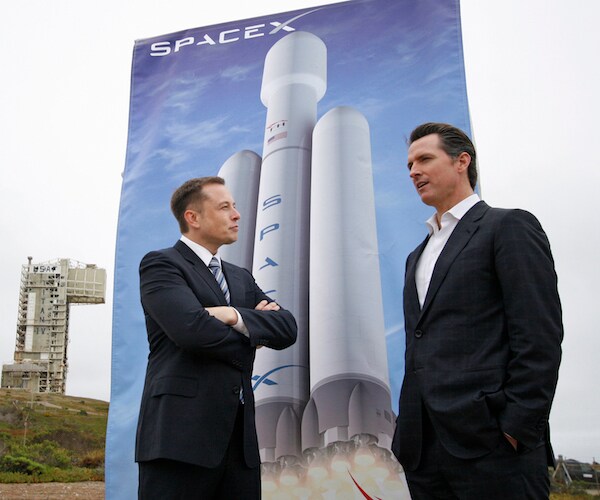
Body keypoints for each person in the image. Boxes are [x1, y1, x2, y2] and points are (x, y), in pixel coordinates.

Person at [391, 123, 563, 499]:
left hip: (494, 445)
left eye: (424, 159)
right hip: (424, 450)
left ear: (461, 162)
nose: (413, 171)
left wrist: (517, 426)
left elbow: (539, 334)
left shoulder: (508, 226)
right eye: (409, 165)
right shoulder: (416, 257)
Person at [135, 176, 297, 499]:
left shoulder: (240, 278)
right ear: (192, 217)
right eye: (224, 207)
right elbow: (192, 331)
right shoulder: (162, 265)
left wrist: (231, 315)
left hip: (239, 447)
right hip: (180, 442)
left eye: (235, 206)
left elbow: (287, 327)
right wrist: (254, 332)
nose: (236, 214)